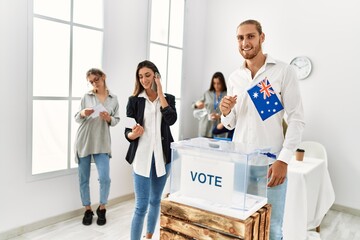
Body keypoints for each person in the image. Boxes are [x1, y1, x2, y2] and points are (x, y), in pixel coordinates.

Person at [219, 20, 305, 240]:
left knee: (273, 229)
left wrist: (283, 160)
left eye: (250, 36)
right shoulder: (235, 77)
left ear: (261, 37)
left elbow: (297, 119)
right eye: (240, 38)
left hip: (270, 165)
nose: (245, 42)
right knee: (240, 225)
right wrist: (226, 111)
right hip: (240, 162)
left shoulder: (283, 71)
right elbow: (231, 123)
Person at [124, 60, 177, 240]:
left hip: (163, 159)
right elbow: (127, 131)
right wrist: (133, 134)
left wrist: (160, 92)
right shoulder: (134, 101)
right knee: (141, 206)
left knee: (155, 201)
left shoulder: (168, 99)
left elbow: (171, 120)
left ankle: (148, 236)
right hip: (142, 158)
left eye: (148, 75)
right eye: (141, 76)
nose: (144, 80)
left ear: (156, 75)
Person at [74, 68, 120, 226]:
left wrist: (109, 118)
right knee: (83, 179)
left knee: (105, 178)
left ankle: (102, 208)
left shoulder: (113, 99)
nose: (94, 84)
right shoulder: (86, 96)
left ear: (103, 77)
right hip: (84, 140)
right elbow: (77, 118)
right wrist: (82, 113)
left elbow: (116, 120)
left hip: (102, 142)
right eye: (91, 82)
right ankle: (87, 209)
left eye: (96, 80)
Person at [192, 72, 228, 138]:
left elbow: (231, 112)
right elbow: (194, 105)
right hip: (206, 126)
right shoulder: (207, 93)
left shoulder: (227, 94)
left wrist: (219, 116)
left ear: (223, 83)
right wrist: (197, 105)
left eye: (218, 83)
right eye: (214, 83)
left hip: (219, 128)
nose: (216, 86)